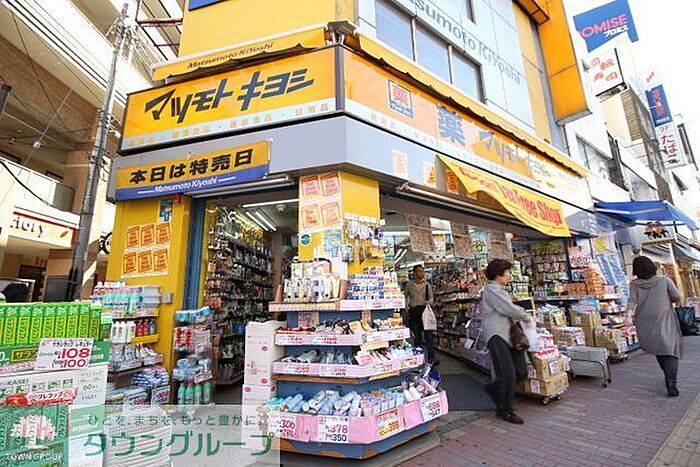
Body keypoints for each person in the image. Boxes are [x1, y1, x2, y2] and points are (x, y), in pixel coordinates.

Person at [481, 259, 533, 425]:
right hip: (497, 335)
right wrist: (526, 316)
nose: (510, 275)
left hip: (509, 335)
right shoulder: (491, 290)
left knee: (521, 371)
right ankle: (505, 410)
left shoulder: (500, 290)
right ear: (498, 273)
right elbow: (507, 308)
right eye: (508, 272)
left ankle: (494, 388)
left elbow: (508, 306)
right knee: (507, 373)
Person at [627, 256, 683, 397]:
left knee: (658, 348)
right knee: (670, 349)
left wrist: (628, 316)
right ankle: (671, 381)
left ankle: (667, 374)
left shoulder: (634, 284)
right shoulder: (664, 281)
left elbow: (632, 301)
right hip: (664, 319)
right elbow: (676, 296)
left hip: (644, 321)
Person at [404, 264, 436, 363]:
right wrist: (406, 306)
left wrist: (429, 302)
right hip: (414, 312)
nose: (422, 273)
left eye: (423, 271)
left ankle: (431, 358)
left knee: (429, 336)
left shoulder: (427, 285)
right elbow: (405, 296)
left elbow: (431, 298)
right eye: (419, 271)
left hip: (425, 311)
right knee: (417, 337)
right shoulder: (409, 285)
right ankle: (419, 357)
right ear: (414, 273)